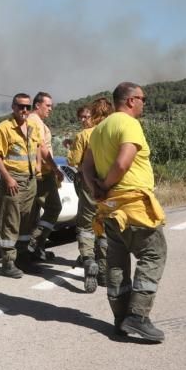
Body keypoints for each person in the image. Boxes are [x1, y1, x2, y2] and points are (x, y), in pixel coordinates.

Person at [81, 82, 166, 342]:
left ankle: (120, 319)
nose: (144, 103)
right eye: (142, 99)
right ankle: (138, 317)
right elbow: (123, 162)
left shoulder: (97, 131)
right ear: (130, 100)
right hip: (133, 205)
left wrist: (96, 189)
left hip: (109, 209)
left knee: (117, 263)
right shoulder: (129, 124)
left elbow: (85, 166)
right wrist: (105, 184)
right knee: (153, 254)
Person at [0, 93, 42, 278]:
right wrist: (8, 178)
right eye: (20, 106)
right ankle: (8, 262)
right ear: (13, 107)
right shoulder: (4, 128)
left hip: (30, 180)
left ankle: (23, 259)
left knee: (28, 221)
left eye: (27, 106)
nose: (24, 110)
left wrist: (38, 168)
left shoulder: (33, 126)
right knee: (10, 221)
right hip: (13, 180)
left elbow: (38, 148)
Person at [67, 97, 112, 292]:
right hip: (109, 183)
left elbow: (74, 161)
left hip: (87, 183)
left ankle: (88, 261)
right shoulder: (112, 132)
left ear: (92, 115)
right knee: (103, 225)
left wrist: (70, 149)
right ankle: (103, 272)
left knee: (86, 226)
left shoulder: (85, 135)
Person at [23, 91, 64, 265]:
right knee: (54, 207)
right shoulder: (34, 121)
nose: (50, 109)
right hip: (41, 174)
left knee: (33, 214)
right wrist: (55, 168)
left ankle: (35, 250)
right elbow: (41, 148)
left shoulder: (35, 121)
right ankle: (35, 242)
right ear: (37, 105)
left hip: (38, 173)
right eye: (48, 105)